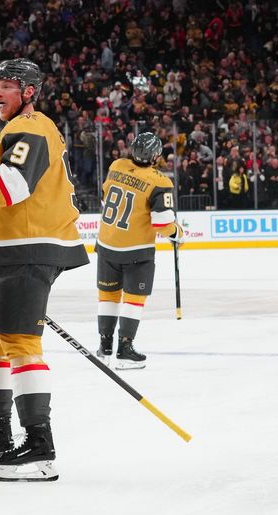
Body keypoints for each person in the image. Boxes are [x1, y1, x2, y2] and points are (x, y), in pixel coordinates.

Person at [0, 58, 89, 481]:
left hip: (30, 252)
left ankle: (40, 449)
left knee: (19, 342)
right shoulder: (22, 129)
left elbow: (7, 188)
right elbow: (25, 200)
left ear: (28, 92)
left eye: (8, 85)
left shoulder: (28, 128)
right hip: (16, 248)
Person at [95, 132, 182, 370]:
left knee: (108, 296)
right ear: (155, 155)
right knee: (133, 301)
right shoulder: (160, 181)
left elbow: (104, 199)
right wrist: (178, 233)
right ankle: (124, 350)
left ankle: (104, 349)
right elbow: (163, 225)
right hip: (136, 251)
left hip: (106, 244)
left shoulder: (116, 165)